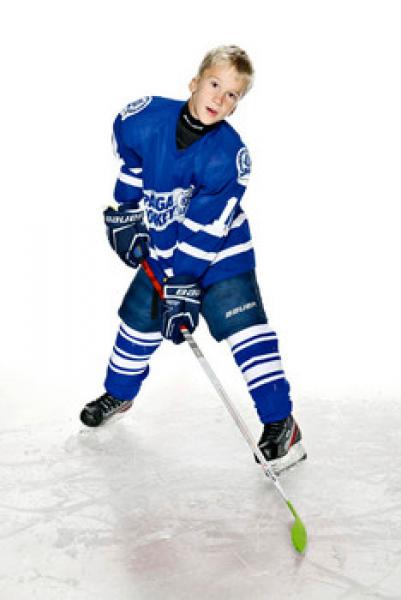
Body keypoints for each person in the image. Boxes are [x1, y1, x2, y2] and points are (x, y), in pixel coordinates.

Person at [80, 45, 306, 472]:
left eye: (232, 95)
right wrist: (126, 215)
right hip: (165, 247)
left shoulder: (229, 156)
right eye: (215, 85)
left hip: (221, 252)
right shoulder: (143, 119)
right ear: (194, 82)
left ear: (237, 105)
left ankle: (282, 423)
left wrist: (183, 286)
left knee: (244, 330)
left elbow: (206, 230)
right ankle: (119, 394)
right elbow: (133, 168)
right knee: (137, 323)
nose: (220, 98)